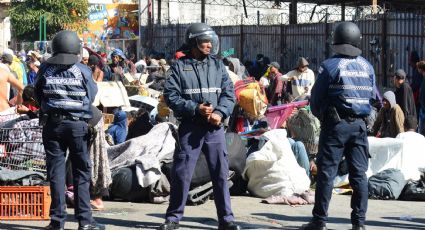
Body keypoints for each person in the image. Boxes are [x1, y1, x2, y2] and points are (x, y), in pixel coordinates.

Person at [161, 23, 241, 230]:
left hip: (215, 130)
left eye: (210, 41)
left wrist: (220, 112)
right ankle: (173, 219)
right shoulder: (179, 67)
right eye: (204, 41)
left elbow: (229, 94)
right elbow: (171, 96)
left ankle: (227, 220)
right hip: (190, 128)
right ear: (193, 42)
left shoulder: (218, 66)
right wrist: (195, 108)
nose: (209, 45)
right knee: (182, 174)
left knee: (221, 174)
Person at [304, 22, 375, 230]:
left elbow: (316, 100)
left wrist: (325, 117)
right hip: (360, 127)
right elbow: (372, 98)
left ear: (336, 40)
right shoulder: (367, 66)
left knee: (326, 174)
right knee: (359, 176)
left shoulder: (329, 66)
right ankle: (359, 224)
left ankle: (319, 222)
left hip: (336, 127)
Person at [34, 30, 103, 230]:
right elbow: (91, 96)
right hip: (77, 126)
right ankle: (85, 222)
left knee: (56, 174)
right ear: (76, 49)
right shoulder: (82, 70)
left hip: (52, 126)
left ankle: (57, 222)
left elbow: (37, 94)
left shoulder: (45, 69)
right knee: (81, 174)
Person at [416, 60, 425, 135]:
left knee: (421, 131)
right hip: (422, 107)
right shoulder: (423, 78)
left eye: (418, 68)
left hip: (423, 108)